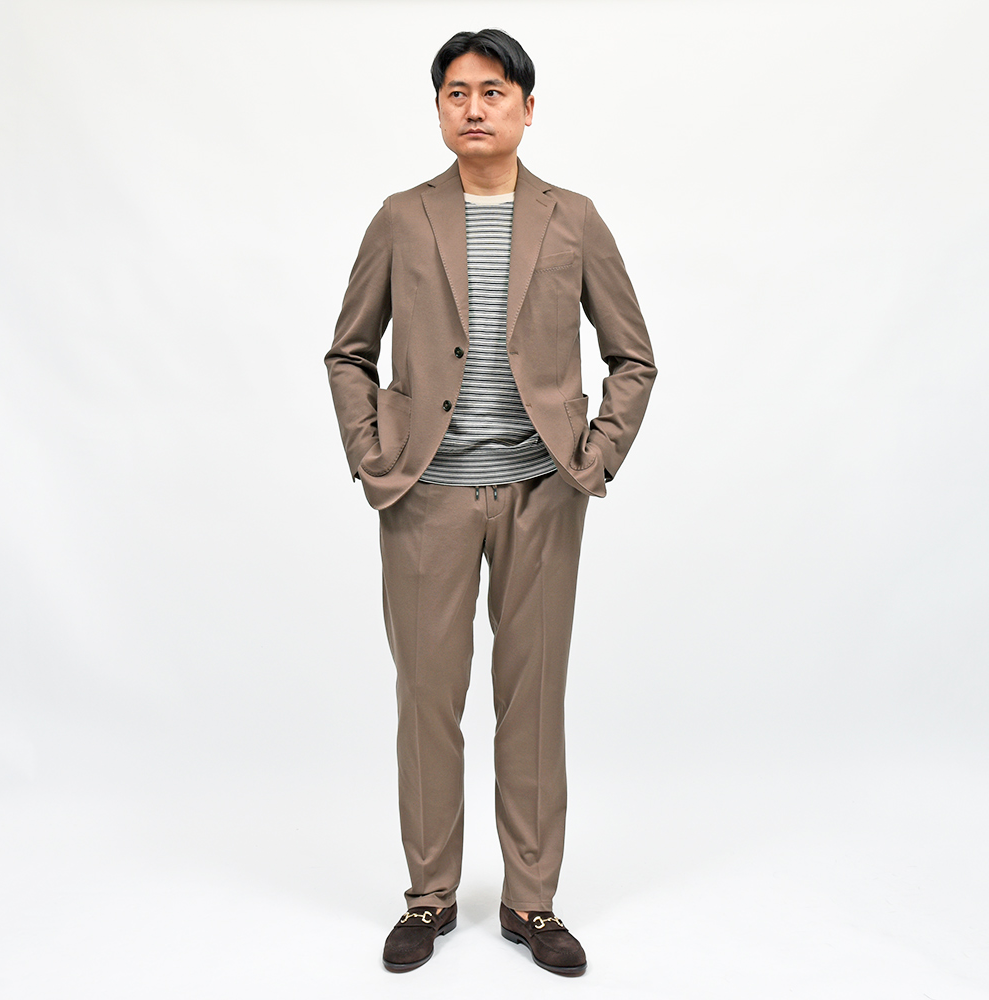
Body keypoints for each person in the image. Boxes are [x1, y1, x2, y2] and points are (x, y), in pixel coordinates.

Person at [326, 28, 656, 977]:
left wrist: (593, 458)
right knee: (427, 700)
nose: (474, 107)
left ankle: (531, 903)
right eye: (457, 93)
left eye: (494, 91)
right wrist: (373, 456)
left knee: (533, 700)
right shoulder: (401, 218)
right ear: (439, 109)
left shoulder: (573, 218)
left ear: (527, 107)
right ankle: (429, 896)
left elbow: (632, 355)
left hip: (543, 495)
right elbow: (349, 351)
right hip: (424, 499)